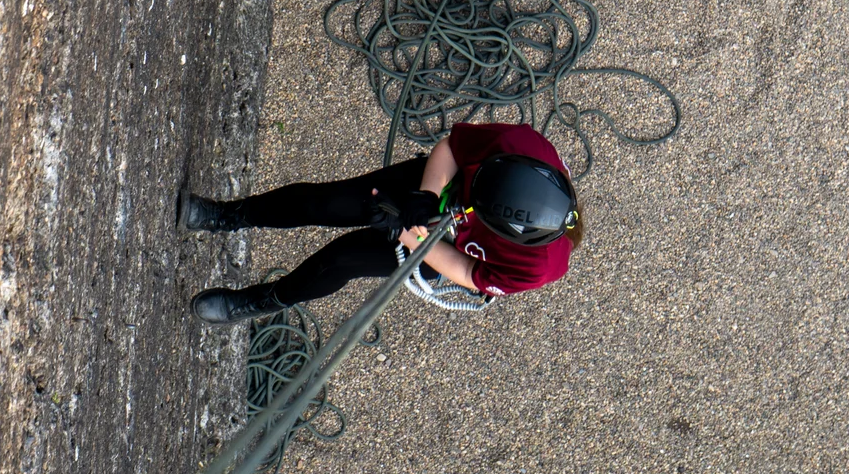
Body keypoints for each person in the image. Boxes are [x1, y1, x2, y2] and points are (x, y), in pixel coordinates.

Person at [183, 122, 582, 324]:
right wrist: (426, 197)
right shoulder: (521, 145)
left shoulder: (538, 268)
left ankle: (261, 302)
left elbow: (468, 270)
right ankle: (229, 215)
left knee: (340, 262)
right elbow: (451, 147)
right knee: (323, 203)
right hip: (433, 187)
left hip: (439, 250)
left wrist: (407, 234)